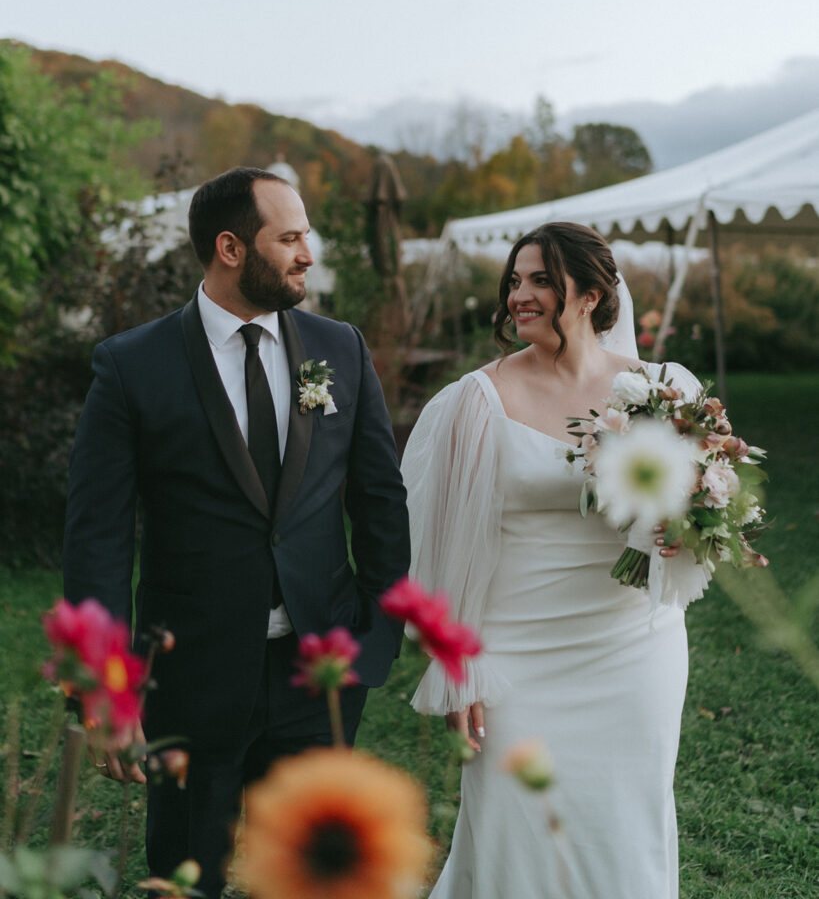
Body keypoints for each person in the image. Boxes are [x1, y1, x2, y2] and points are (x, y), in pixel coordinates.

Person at [62, 167, 410, 898]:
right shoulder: (131, 366)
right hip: (189, 678)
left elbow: (379, 499)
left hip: (319, 675)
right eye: (288, 237)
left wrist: (374, 636)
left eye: (305, 235)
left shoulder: (338, 348)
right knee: (192, 877)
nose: (306, 253)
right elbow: (97, 539)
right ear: (229, 247)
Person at [401, 223, 702, 899]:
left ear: (591, 295)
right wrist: (455, 662)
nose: (519, 295)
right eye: (514, 280)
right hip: (517, 652)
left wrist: (681, 529)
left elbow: (693, 511)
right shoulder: (472, 403)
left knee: (623, 822)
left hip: (632, 649)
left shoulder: (661, 391)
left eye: (540, 280)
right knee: (514, 820)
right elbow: (436, 540)